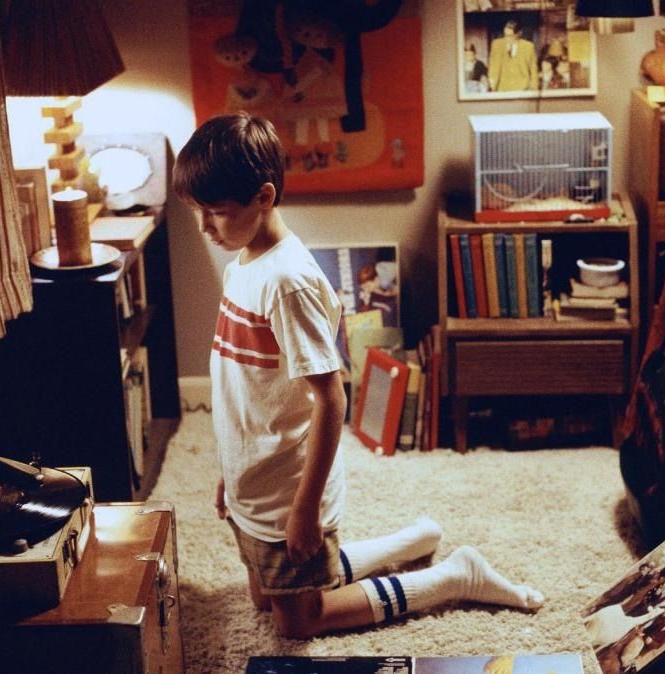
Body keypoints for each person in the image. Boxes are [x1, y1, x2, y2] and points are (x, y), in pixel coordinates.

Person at [171, 111, 545, 639]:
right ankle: (410, 542)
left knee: (299, 621)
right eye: (198, 213)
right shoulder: (243, 264)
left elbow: (331, 400)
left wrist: (305, 509)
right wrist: (229, 473)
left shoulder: (287, 283)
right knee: (264, 597)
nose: (204, 228)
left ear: (264, 197)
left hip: (287, 490)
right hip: (253, 481)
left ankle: (453, 577)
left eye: (215, 213)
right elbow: (247, 389)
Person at [488, 20, 538, 92]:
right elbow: (492, 66)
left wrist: (533, 89)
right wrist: (491, 82)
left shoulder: (528, 46)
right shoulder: (496, 44)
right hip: (501, 89)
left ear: (518, 33)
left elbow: (533, 70)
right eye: (505, 35)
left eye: (510, 36)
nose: (507, 38)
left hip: (522, 89)